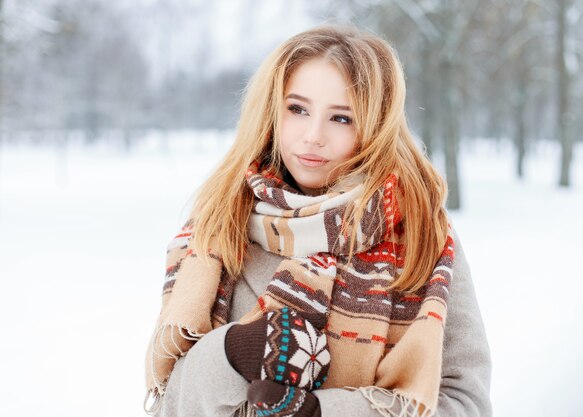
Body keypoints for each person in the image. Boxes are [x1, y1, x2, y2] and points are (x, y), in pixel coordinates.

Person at [143, 25, 491, 417]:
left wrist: (316, 412)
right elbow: (169, 404)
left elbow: (464, 402)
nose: (312, 136)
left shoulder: (422, 235)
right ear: (272, 110)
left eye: (342, 118)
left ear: (376, 127)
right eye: (298, 109)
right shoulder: (218, 225)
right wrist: (230, 353)